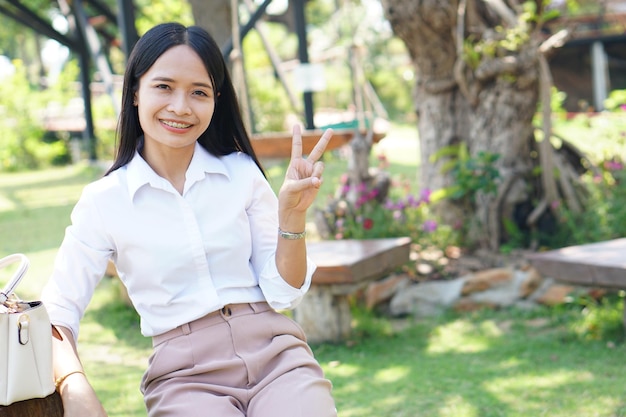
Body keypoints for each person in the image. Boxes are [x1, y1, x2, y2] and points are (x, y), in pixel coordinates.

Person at [41, 22, 337, 417]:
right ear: (134, 92)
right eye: (164, 87)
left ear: (216, 100)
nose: (181, 107)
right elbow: (56, 310)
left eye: (198, 92)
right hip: (184, 376)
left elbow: (284, 292)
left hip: (277, 357)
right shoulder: (104, 201)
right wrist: (74, 386)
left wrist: (292, 219)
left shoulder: (240, 173)